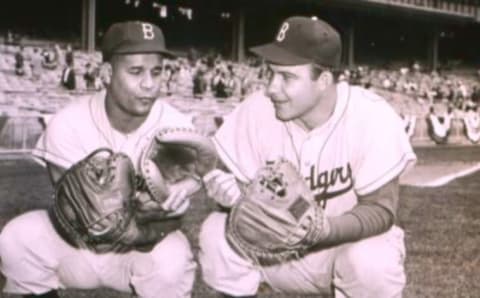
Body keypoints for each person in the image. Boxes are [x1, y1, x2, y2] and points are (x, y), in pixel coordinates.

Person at [200, 16, 416, 298]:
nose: (271, 88)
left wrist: (322, 231)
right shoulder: (256, 111)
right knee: (217, 230)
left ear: (324, 80)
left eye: (287, 77)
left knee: (373, 258)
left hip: (339, 251)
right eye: (270, 73)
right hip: (272, 250)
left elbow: (381, 209)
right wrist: (231, 195)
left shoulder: (371, 115)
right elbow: (226, 178)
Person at [0, 21, 197, 298]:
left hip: (140, 252)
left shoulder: (176, 125)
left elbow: (191, 183)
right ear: (106, 73)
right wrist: (148, 206)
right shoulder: (68, 121)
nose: (149, 84)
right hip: (76, 247)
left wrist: (182, 192)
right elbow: (75, 214)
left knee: (174, 257)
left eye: (157, 71)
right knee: (18, 237)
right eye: (136, 71)